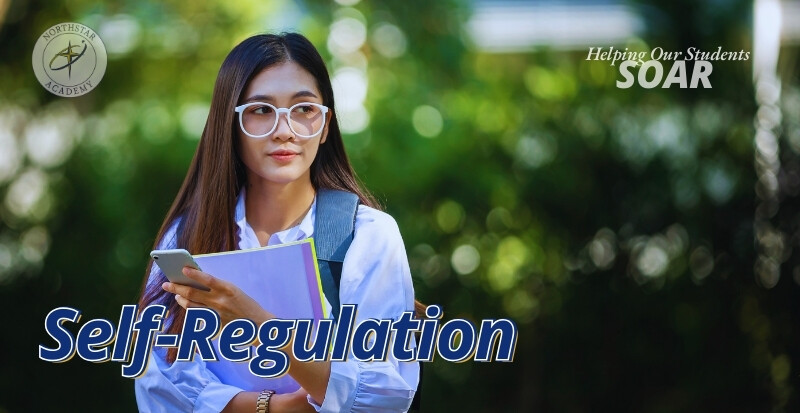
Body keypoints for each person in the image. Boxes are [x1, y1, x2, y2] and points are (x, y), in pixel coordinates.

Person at [134, 32, 420, 412]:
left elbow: (384, 395)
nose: (284, 130)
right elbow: (157, 385)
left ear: (326, 125)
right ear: (230, 126)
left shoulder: (367, 236)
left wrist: (254, 321)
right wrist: (279, 407)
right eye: (260, 110)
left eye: (304, 109)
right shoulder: (186, 238)